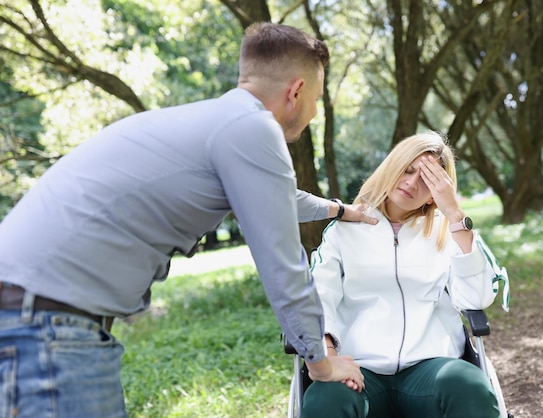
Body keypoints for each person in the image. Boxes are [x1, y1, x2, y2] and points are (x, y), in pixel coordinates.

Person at [0, 23, 373, 417]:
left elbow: (277, 199)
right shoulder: (253, 128)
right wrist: (320, 361)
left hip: (33, 313)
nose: (314, 113)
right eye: (316, 99)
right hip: (43, 325)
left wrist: (341, 210)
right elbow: (285, 267)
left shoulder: (220, 122)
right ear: (296, 91)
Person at [301, 131, 509, 418]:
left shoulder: (448, 231)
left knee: (467, 384)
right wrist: (329, 354)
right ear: (392, 166)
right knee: (327, 399)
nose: (412, 183)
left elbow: (477, 299)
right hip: (360, 371)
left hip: (431, 368)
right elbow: (318, 296)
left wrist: (455, 215)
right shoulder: (344, 230)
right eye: (407, 170)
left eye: (427, 179)